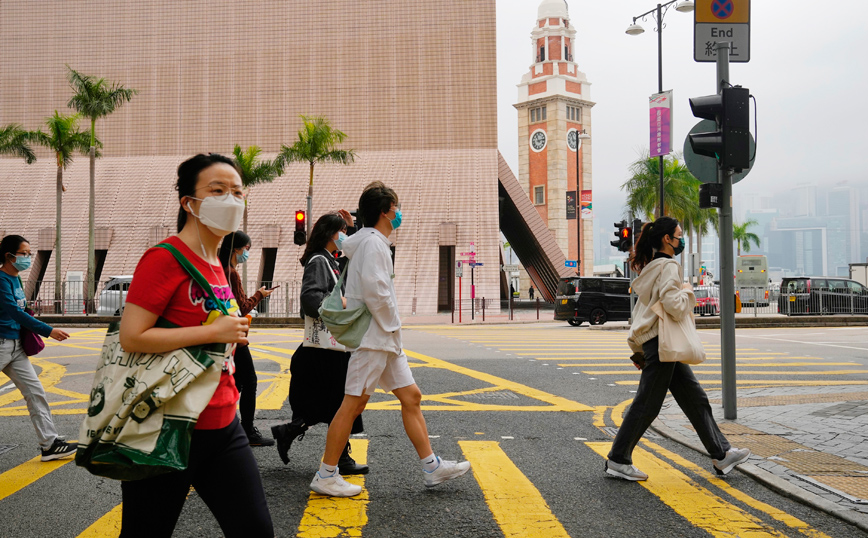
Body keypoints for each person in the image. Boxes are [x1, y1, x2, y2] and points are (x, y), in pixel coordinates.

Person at [117, 154, 272, 537]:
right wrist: (211, 332)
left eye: (237, 192)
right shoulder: (164, 258)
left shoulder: (217, 262)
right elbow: (132, 336)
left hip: (223, 425)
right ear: (189, 202)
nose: (231, 200)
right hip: (165, 429)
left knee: (255, 530)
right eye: (217, 191)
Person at [309, 181, 471, 497]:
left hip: (384, 339)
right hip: (375, 337)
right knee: (352, 405)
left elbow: (349, 243)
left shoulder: (367, 241)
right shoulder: (373, 245)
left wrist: (349, 231)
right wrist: (394, 323)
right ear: (384, 212)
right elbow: (375, 290)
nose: (398, 214)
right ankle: (326, 475)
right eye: (395, 208)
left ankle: (432, 467)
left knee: (411, 397)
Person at [605, 216, 750, 481]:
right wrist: (689, 292)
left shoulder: (652, 267)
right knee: (647, 404)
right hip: (662, 344)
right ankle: (618, 459)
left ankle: (721, 454)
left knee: (695, 399)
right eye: (678, 235)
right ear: (667, 239)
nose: (681, 239)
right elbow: (674, 304)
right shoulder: (669, 266)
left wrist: (638, 345)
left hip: (660, 343)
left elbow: (644, 310)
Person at [270, 210, 367, 475]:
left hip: (328, 349)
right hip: (326, 349)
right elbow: (310, 300)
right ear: (330, 234)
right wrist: (341, 303)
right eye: (342, 232)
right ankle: (341, 459)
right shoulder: (318, 261)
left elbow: (353, 255)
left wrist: (352, 225)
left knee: (330, 403)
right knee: (343, 402)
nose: (345, 237)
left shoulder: (329, 260)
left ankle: (288, 432)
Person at [0, 235, 77, 461]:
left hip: (16, 347)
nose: (28, 258)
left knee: (35, 392)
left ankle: (50, 444)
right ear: (9, 256)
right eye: (24, 253)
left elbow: (21, 310)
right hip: (1, 343)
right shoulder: (1, 279)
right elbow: (14, 312)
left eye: (29, 253)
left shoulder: (17, 279)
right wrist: (48, 330)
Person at [218, 230, 275, 447]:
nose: (247, 254)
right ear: (236, 249)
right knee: (249, 381)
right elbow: (241, 308)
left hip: (225, 334)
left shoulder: (219, 270)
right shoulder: (231, 273)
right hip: (235, 337)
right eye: (247, 249)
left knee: (236, 382)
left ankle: (230, 426)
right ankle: (247, 431)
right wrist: (260, 295)